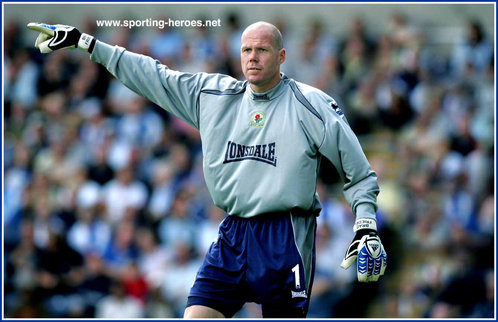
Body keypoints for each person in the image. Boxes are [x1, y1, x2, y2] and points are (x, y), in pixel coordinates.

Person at [27, 21, 387, 318]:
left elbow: (356, 169)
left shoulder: (310, 103)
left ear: (281, 56)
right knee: (196, 316)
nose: (253, 57)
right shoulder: (213, 96)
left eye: (262, 50)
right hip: (232, 231)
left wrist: (366, 223)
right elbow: (152, 74)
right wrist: (86, 43)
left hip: (286, 236)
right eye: (246, 50)